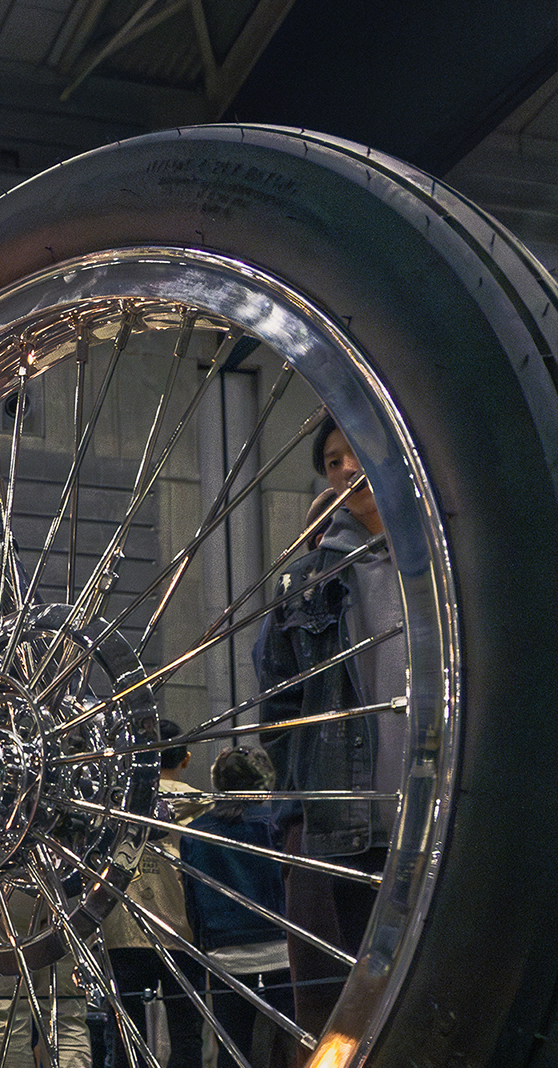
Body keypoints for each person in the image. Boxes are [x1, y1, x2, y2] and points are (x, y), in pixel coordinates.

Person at [254, 415, 404, 1037]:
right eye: (332, 460)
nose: (346, 468)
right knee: (352, 1009)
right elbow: (279, 704)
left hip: (450, 807)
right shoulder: (304, 579)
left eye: (357, 452)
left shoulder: (451, 566)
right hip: (350, 824)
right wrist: (305, 800)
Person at [102, 720, 207, 1068]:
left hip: (122, 926)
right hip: (183, 930)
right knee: (187, 1032)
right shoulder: (203, 807)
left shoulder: (115, 803)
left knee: (126, 1035)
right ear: (186, 759)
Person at [181, 746, 293, 1067]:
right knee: (290, 1050)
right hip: (280, 949)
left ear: (218, 782)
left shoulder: (194, 833)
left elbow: (193, 901)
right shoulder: (276, 825)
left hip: (224, 956)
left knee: (233, 1052)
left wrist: (204, 944)